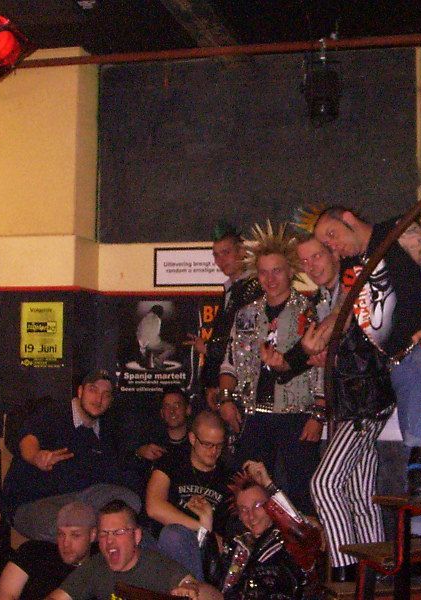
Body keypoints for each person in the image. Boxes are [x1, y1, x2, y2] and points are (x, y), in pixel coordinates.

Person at [309, 206, 421, 496]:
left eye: (332, 235)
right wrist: (311, 345)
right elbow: (340, 314)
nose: (332, 246)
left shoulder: (396, 230)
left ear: (348, 218)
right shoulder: (351, 266)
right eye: (327, 244)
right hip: (404, 361)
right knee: (419, 465)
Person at [274, 235, 389, 583]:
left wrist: (306, 361)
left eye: (317, 256)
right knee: (359, 494)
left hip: (364, 404)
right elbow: (318, 350)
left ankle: (343, 573)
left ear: (334, 254)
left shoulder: (354, 292)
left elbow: (373, 347)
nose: (311, 266)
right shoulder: (324, 299)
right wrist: (292, 364)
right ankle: (375, 574)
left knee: (324, 484)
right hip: (351, 405)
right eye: (304, 261)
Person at [217, 221, 323, 513]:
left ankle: (305, 541)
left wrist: (318, 415)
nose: (270, 278)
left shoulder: (309, 312)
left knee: (301, 494)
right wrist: (226, 400)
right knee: (247, 490)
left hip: (296, 416)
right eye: (263, 272)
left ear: (290, 272)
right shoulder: (245, 314)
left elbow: (322, 367)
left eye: (277, 271)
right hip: (254, 416)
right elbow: (230, 362)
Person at [2, 370, 141, 541]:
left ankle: (104, 534)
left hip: (81, 500)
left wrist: (139, 454)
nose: (98, 399)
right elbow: (28, 439)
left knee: (130, 501)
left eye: (105, 395)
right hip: (34, 501)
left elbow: (116, 473)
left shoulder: (107, 429)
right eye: (93, 390)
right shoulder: (54, 413)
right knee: (74, 524)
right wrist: (36, 456)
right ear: (80, 391)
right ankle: (102, 534)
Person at [45, 500, 215, 600]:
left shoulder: (157, 566)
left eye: (118, 532)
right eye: (104, 533)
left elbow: (215, 595)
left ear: (137, 536)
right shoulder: (96, 567)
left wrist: (192, 589)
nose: (109, 540)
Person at [145, 410, 231, 580]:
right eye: (207, 444)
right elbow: (154, 506)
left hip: (205, 554)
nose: (214, 451)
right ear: (192, 438)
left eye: (219, 445)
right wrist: (201, 528)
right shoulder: (171, 462)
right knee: (169, 535)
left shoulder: (227, 476)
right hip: (165, 543)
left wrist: (207, 536)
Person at [188, 221, 263, 410]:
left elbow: (243, 342)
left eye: (226, 252)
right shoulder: (233, 289)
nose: (221, 260)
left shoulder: (253, 288)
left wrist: (208, 349)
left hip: (241, 388)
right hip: (226, 384)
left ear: (241, 251)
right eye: (216, 255)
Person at [221, 461, 322, 600]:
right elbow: (222, 588)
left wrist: (269, 485)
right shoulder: (238, 546)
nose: (251, 516)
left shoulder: (289, 541)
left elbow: (300, 531)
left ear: (271, 505)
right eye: (244, 510)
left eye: (258, 505)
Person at [0, 501, 97, 600]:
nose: (66, 543)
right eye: (61, 534)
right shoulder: (34, 551)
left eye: (75, 535)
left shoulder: (98, 566)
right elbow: (5, 595)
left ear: (92, 535)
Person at [128, 386, 192, 471]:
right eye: (167, 406)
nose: (172, 411)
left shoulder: (197, 443)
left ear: (188, 410)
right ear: (162, 413)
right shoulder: (152, 443)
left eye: (177, 406)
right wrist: (139, 454)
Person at [137, 305, 175, 369]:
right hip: (151, 343)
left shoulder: (144, 318)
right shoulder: (157, 319)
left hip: (142, 343)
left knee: (156, 346)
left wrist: (142, 346)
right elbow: (155, 333)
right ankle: (159, 360)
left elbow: (138, 332)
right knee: (171, 348)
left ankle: (156, 363)